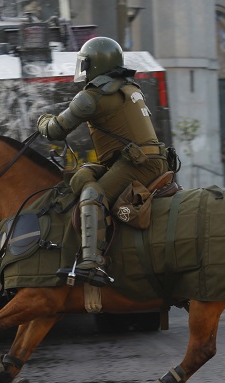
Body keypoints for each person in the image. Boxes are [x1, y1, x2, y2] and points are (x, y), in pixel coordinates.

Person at [37, 36, 168, 283]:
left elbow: (56, 130)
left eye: (85, 65)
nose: (83, 71)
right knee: (83, 175)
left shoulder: (92, 96)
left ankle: (92, 262)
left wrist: (41, 120)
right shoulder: (128, 87)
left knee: (92, 194)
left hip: (137, 165)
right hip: (143, 160)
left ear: (95, 65)